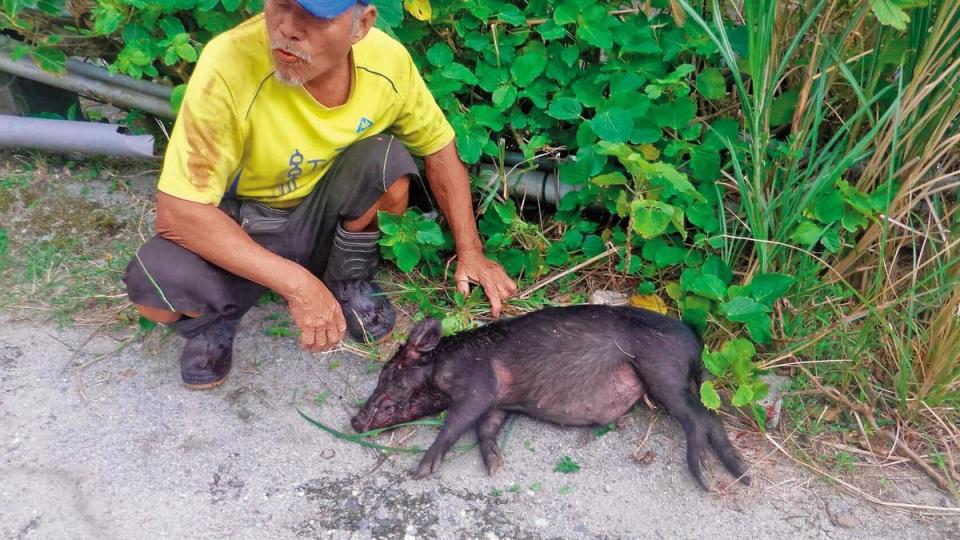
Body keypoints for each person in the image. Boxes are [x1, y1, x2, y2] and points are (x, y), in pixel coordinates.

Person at [122, 0, 517, 389]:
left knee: (386, 162)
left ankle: (348, 281)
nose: (288, 28)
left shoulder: (387, 62)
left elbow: (439, 147)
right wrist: (296, 285)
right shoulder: (229, 63)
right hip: (243, 222)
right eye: (280, 4)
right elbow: (177, 212)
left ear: (361, 24)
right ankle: (217, 320)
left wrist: (471, 251)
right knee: (153, 286)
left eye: (316, 14)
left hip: (324, 215)